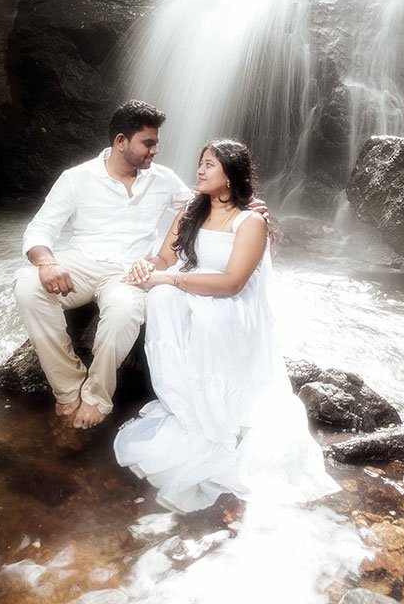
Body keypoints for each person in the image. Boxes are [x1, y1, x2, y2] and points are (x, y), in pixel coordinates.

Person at [113, 139, 338, 513]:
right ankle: (186, 404)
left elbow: (233, 283)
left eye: (210, 165)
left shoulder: (250, 221)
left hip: (229, 302)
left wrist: (169, 278)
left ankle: (220, 414)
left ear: (231, 176)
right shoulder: (190, 211)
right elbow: (165, 257)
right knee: (161, 298)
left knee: (206, 312)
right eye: (200, 163)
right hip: (189, 287)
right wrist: (146, 267)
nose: (200, 171)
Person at [14, 100, 193, 429]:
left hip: (131, 271)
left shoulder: (164, 179)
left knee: (124, 311)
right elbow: (39, 229)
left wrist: (245, 201)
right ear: (121, 141)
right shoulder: (76, 178)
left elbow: (201, 206)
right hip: (82, 262)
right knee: (27, 287)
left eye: (156, 143)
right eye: (148, 143)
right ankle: (68, 389)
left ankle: (97, 396)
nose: (155, 151)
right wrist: (47, 263)